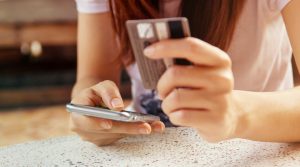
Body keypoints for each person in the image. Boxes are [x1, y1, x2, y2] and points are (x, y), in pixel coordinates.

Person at [70, 0, 300, 146]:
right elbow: (92, 76)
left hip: (257, 149)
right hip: (150, 147)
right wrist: (92, 110)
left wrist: (236, 114)